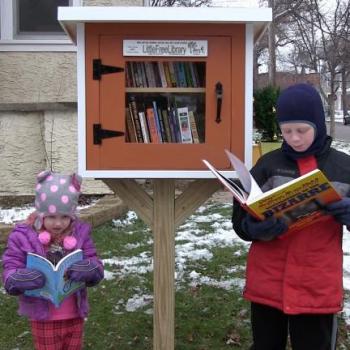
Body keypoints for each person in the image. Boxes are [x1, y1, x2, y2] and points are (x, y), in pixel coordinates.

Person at [232, 83, 350, 350]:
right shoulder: (267, 165)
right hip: (268, 281)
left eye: (302, 130)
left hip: (316, 285)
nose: (294, 138)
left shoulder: (343, 168)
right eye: (287, 131)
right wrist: (254, 228)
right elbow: (239, 223)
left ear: (318, 124)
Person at [2, 171, 104, 350]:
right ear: (41, 215)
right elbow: (11, 265)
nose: (58, 224)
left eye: (65, 217)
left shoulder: (79, 234)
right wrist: (17, 278)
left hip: (74, 314)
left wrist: (91, 269)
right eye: (51, 217)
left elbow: (94, 260)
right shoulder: (23, 236)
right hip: (43, 317)